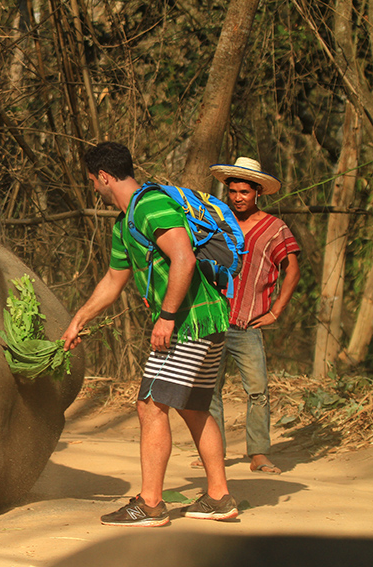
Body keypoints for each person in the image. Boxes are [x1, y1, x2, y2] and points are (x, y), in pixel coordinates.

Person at [61, 141, 238, 527]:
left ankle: (151, 503)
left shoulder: (149, 205)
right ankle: (219, 496)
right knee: (193, 407)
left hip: (189, 322)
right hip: (208, 320)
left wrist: (168, 316)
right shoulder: (124, 224)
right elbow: (113, 280)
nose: (95, 189)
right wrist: (78, 320)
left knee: (149, 404)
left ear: (104, 177)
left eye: (93, 182)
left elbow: (184, 256)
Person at [192, 157, 301, 475]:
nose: (238, 197)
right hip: (213, 319)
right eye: (233, 191)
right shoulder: (214, 222)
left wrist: (276, 310)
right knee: (209, 389)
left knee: (258, 389)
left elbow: (291, 268)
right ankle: (215, 451)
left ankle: (259, 453)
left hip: (249, 322)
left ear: (257, 193)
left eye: (245, 192)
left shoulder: (274, 228)